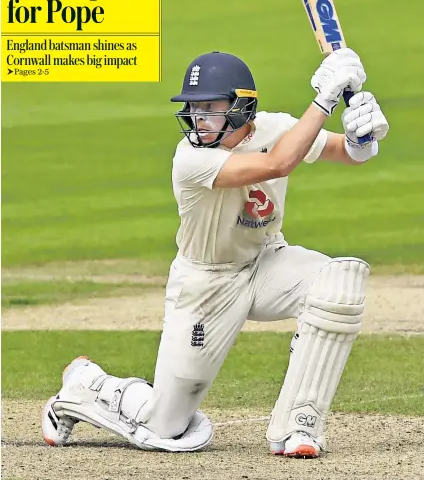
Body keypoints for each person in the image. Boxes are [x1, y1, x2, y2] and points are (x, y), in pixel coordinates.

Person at [42, 49, 389, 457]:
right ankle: (87, 383)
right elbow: (279, 163)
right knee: (165, 424)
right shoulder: (189, 160)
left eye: (209, 107)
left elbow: (343, 152)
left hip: (266, 264)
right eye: (193, 107)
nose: (197, 117)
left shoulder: (276, 127)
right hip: (206, 284)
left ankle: (299, 426)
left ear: (242, 108)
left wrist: (360, 138)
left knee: (339, 282)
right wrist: (325, 100)